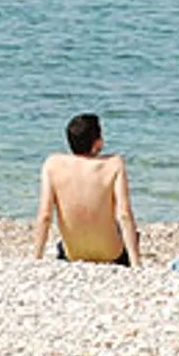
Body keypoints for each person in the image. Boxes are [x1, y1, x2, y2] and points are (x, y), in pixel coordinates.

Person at [31, 111, 140, 266]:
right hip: (111, 254)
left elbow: (45, 216)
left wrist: (36, 259)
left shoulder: (52, 164)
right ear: (97, 142)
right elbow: (124, 215)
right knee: (127, 232)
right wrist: (136, 263)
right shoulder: (114, 164)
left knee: (61, 244)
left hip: (74, 254)